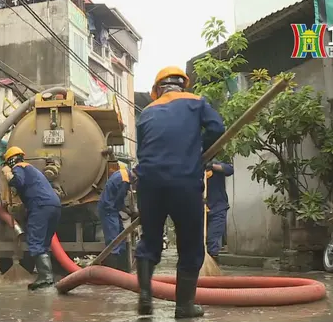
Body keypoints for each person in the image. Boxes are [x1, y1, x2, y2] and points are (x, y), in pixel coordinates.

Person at [134, 66, 225, 318]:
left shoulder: (146, 113)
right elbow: (217, 129)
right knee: (190, 244)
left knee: (149, 241)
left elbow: (143, 150)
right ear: (182, 85)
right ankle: (184, 307)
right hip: (183, 181)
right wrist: (198, 152)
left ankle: (144, 296)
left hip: (149, 183)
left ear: (158, 90)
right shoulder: (196, 102)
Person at [1, 146, 62, 291]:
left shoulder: (19, 168)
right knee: (44, 243)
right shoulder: (31, 169)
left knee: (35, 241)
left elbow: (18, 182)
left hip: (40, 206)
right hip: (54, 206)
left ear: (11, 160)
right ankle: (48, 278)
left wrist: (9, 175)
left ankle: (46, 278)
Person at [97, 164, 137, 272]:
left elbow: (118, 201)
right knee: (113, 240)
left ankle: (122, 268)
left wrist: (130, 212)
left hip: (111, 209)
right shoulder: (124, 181)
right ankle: (113, 272)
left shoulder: (122, 173)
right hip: (108, 210)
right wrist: (131, 213)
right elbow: (119, 202)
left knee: (121, 236)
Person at [204, 160, 234, 259]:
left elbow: (229, 170)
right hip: (200, 209)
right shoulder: (194, 167)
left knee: (213, 240)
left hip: (218, 208)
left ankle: (213, 264)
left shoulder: (217, 164)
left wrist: (212, 166)